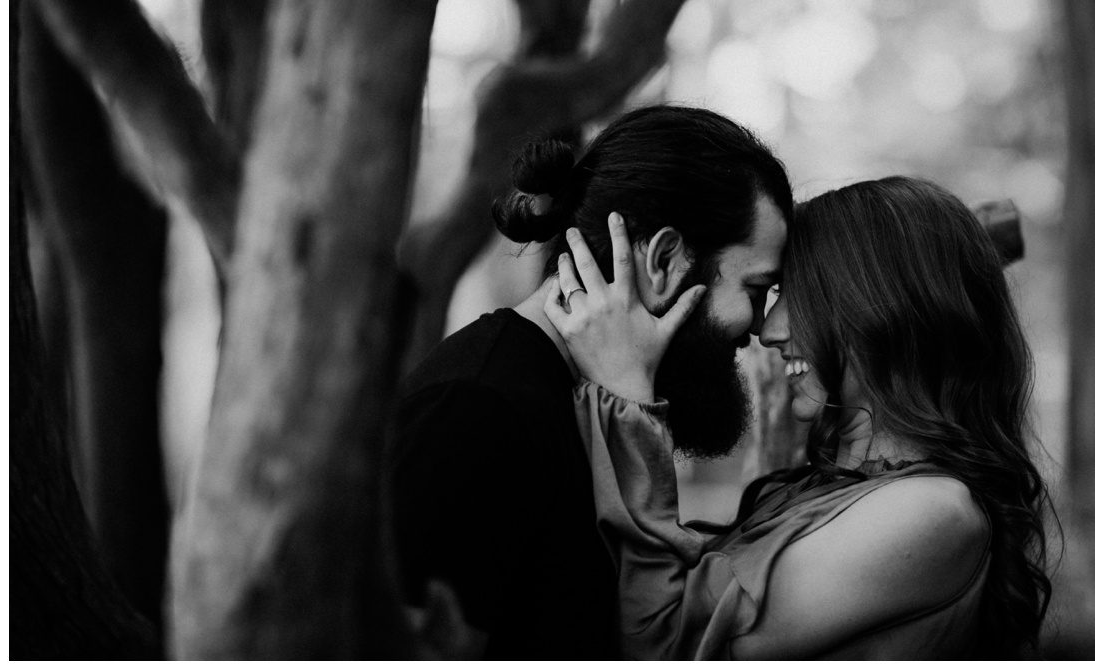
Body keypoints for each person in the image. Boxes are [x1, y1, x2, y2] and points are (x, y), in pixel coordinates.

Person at [547, 176, 1054, 659]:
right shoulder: (834, 486)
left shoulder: (935, 512)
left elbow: (665, 644)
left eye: (799, 294)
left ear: (880, 307)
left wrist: (626, 395)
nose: (768, 329)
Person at [383, 104, 793, 658]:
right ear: (664, 259)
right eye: (756, 288)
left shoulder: (591, 402)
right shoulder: (476, 410)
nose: (762, 328)